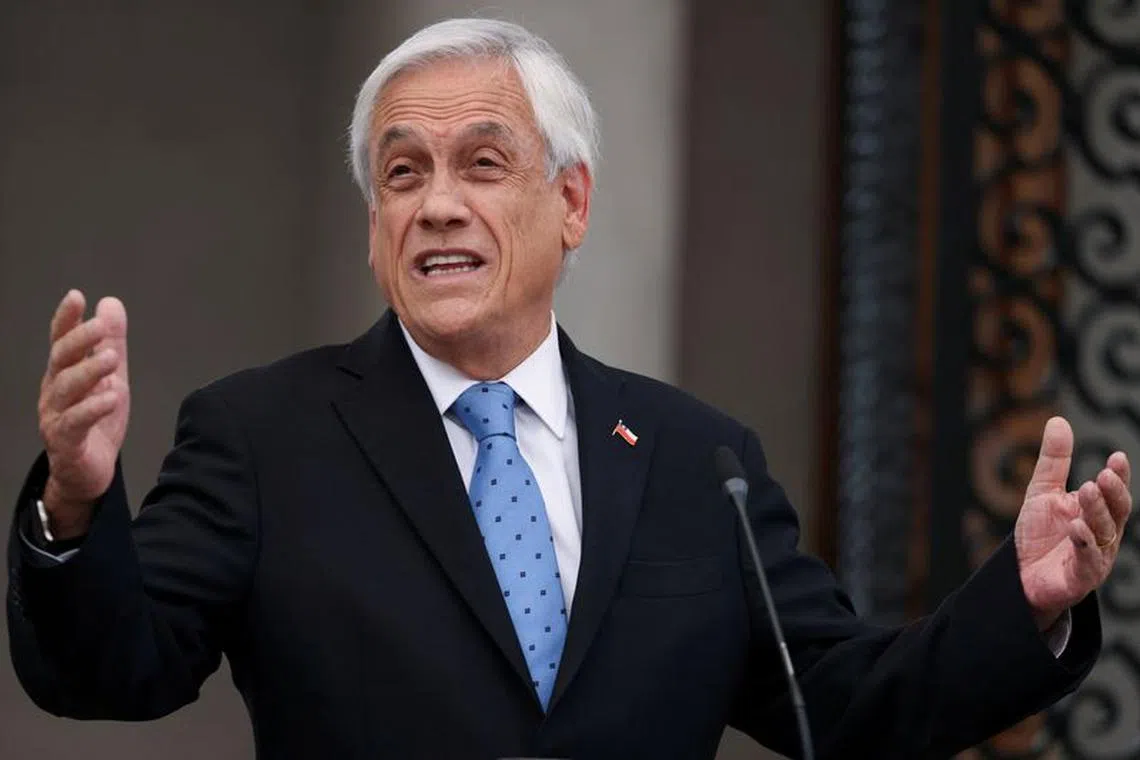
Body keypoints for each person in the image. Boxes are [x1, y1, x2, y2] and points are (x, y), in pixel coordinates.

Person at [7, 18, 1131, 760]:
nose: (437, 205)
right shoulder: (265, 436)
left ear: (573, 203)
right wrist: (73, 501)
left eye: (483, 164)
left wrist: (1022, 600)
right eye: (404, 174)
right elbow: (113, 669)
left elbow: (841, 702)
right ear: (374, 225)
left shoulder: (701, 463)